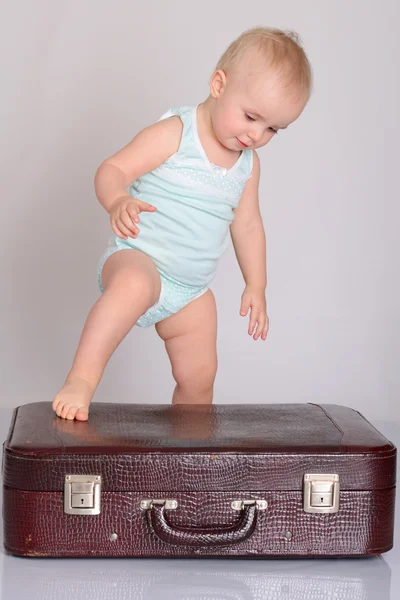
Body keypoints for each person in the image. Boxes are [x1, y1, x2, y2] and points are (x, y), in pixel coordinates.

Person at [52, 26, 313, 421]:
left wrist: (256, 284)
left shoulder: (247, 166)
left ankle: (189, 442)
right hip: (138, 258)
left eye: (273, 128)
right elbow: (112, 168)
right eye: (251, 117)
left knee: (200, 373)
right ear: (218, 84)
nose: (256, 135)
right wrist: (118, 199)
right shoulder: (177, 133)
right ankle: (81, 380)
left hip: (189, 289)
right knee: (135, 286)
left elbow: (248, 226)